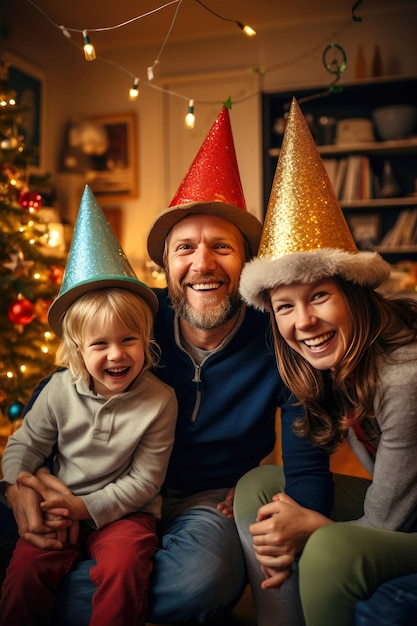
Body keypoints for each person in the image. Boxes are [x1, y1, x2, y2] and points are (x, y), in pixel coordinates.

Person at [0, 106, 333, 625]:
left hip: (204, 501)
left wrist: (304, 508)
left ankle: (42, 599)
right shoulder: (136, 319)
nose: (202, 263)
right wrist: (26, 483)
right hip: (96, 485)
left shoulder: (279, 337)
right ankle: (82, 591)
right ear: (166, 265)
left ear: (245, 264)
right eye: (185, 248)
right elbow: (60, 389)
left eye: (220, 246)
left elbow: (307, 446)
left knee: (204, 578)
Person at [234, 98, 417, 626]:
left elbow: (388, 524)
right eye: (284, 307)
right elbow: (307, 457)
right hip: (399, 508)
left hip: (404, 522)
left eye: (319, 296)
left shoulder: (403, 375)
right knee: (259, 487)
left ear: (353, 291)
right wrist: (296, 518)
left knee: (333, 551)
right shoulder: (323, 363)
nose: (303, 322)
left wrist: (312, 528)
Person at [0, 186, 178, 626]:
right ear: (78, 349)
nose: (116, 355)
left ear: (146, 342)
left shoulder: (160, 401)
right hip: (56, 508)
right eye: (100, 344)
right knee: (25, 569)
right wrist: (23, 485)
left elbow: (146, 480)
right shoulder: (59, 390)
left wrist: (87, 509)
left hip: (127, 514)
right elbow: (23, 447)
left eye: (129, 341)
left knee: (124, 567)